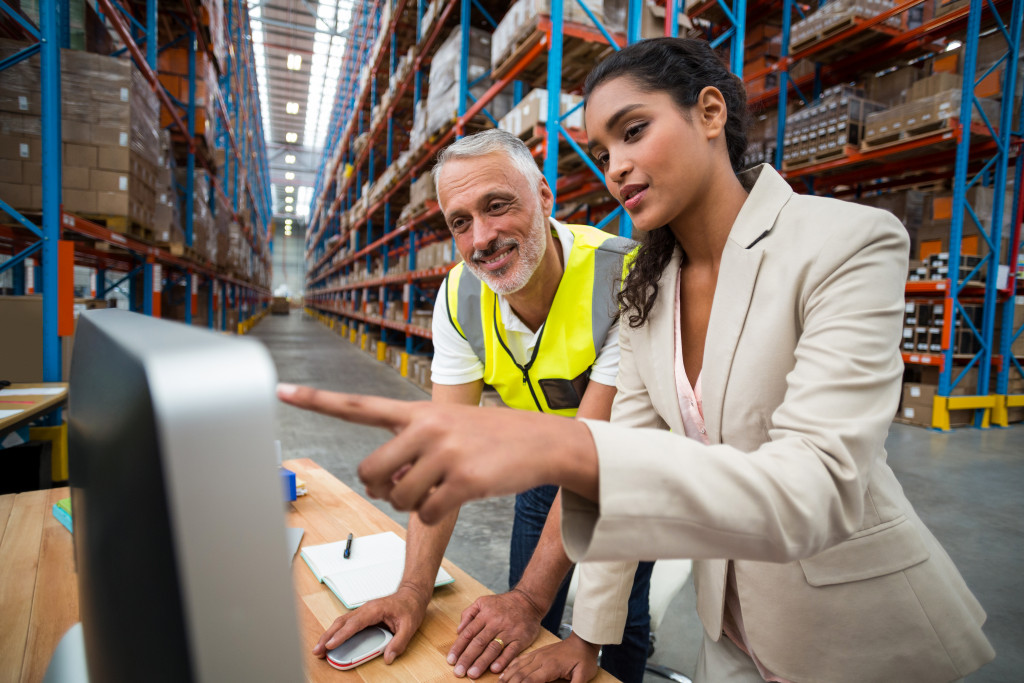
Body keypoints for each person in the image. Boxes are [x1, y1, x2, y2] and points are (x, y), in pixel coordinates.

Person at [279, 38, 996, 683]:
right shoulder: (650, 291)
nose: (618, 166)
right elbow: (613, 484)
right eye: (605, 148)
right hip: (733, 634)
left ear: (710, 111)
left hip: (854, 631)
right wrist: (583, 640)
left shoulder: (845, 242)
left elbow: (821, 486)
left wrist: (569, 452)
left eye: (634, 131)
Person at [305, 129, 653, 683]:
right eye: (460, 222)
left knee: (613, 619)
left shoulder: (624, 277)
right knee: (527, 607)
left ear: (543, 195)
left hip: (625, 471)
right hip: (542, 466)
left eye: (497, 206)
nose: (482, 239)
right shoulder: (460, 298)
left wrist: (527, 601)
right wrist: (413, 591)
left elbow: (596, 462)